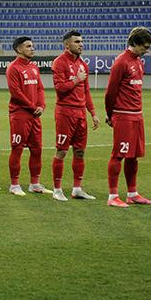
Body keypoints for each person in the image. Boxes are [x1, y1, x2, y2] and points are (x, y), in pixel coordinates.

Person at [104, 27, 151, 208]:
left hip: (137, 115)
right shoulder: (121, 62)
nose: (147, 50)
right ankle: (112, 196)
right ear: (134, 43)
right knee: (119, 155)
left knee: (133, 156)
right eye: (145, 46)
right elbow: (110, 92)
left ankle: (132, 193)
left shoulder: (139, 62)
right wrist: (110, 115)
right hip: (123, 115)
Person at [50, 31, 99, 202]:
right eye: (77, 41)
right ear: (67, 45)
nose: (81, 44)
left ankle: (77, 189)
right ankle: (57, 189)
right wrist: (77, 80)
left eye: (82, 41)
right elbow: (60, 89)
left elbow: (86, 92)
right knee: (61, 151)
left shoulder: (83, 65)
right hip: (65, 113)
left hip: (80, 114)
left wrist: (92, 113)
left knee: (79, 152)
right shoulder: (59, 63)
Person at [5, 37, 46, 197]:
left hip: (35, 115)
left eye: (32, 45)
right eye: (28, 46)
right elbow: (16, 92)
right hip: (20, 114)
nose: (32, 48)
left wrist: (41, 106)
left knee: (37, 150)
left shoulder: (34, 67)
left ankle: (34, 184)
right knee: (17, 149)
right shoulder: (13, 68)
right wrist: (32, 106)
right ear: (19, 49)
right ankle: (14, 185)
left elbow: (41, 88)